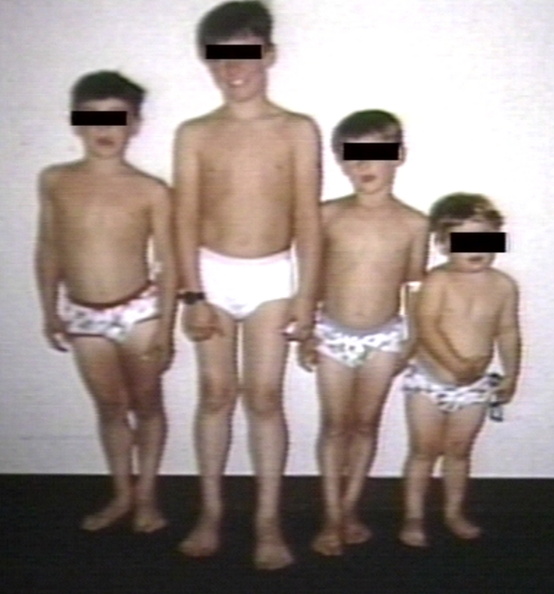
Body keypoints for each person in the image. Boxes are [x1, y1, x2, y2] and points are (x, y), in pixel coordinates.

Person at [173, 1, 321, 570]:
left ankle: (267, 520)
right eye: (218, 58)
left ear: (269, 55)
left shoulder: (297, 130)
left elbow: (308, 220)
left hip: (272, 278)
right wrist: (191, 295)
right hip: (210, 275)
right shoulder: (194, 133)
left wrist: (307, 297)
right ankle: (210, 512)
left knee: (264, 398)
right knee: (214, 395)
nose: (231, 70)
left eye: (243, 55)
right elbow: (184, 219)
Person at [34, 71, 176, 533]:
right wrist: (48, 309)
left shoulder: (151, 189)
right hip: (82, 314)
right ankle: (121, 494)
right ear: (75, 123)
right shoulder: (55, 180)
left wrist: (166, 327)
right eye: (93, 118)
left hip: (139, 313)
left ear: (135, 125)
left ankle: (148, 497)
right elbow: (49, 247)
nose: (105, 128)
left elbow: (169, 262)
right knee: (110, 408)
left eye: (117, 118)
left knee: (147, 404)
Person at [298, 110, 429, 556]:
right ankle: (330, 515)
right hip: (333, 334)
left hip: (385, 339)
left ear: (399, 156)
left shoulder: (414, 223)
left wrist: (414, 339)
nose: (364, 166)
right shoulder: (328, 215)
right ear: (340, 162)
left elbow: (415, 285)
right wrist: (306, 329)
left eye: (375, 154)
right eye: (353, 157)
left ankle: (350, 508)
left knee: (366, 423)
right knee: (335, 425)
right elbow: (312, 276)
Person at [398, 193, 521, 547]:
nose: (476, 248)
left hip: (474, 387)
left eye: (485, 238)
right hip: (429, 383)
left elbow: (508, 331)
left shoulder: (503, 286)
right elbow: (426, 326)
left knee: (459, 451)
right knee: (423, 451)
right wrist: (454, 363)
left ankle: (453, 512)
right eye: (464, 240)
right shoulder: (438, 281)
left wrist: (511, 374)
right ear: (442, 244)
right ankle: (413, 516)